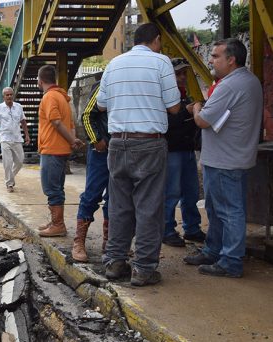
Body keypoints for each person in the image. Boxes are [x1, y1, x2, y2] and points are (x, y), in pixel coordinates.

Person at [96, 22, 181, 286]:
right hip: (149, 144)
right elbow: (175, 107)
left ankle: (115, 262)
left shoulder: (114, 64)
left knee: (120, 206)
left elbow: (101, 104)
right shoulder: (161, 62)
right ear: (156, 40)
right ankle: (143, 269)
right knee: (148, 207)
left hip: (118, 143)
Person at [184, 38, 263, 278]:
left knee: (228, 211)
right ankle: (214, 250)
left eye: (216, 56)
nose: (211, 60)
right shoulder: (250, 80)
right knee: (219, 209)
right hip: (234, 156)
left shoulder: (229, 85)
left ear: (231, 59)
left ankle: (230, 260)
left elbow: (203, 120)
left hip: (224, 159)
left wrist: (196, 106)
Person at [36, 65, 84, 237]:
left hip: (52, 149)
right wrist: (72, 141)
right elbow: (70, 124)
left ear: (40, 81)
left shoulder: (49, 97)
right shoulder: (62, 97)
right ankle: (55, 221)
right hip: (61, 149)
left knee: (51, 188)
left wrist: (72, 140)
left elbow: (56, 122)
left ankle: (58, 225)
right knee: (57, 186)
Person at [162, 58, 205, 248]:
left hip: (187, 150)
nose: (182, 77)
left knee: (191, 193)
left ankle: (192, 228)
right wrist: (186, 113)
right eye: (178, 74)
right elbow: (164, 124)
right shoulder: (163, 97)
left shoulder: (185, 96)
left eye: (183, 74)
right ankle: (167, 230)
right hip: (171, 151)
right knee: (171, 193)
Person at [72, 75, 110, 262]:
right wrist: (97, 140)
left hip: (120, 150)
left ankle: (109, 242)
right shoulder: (103, 85)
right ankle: (79, 241)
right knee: (92, 194)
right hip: (100, 151)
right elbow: (86, 115)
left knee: (116, 198)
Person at [0, 87, 31, 193]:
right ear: (3, 96)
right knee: (7, 162)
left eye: (10, 94)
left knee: (20, 161)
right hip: (5, 138)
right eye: (7, 95)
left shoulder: (19, 107)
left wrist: (27, 135)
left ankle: (10, 177)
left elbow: (23, 121)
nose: (9, 96)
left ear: (13, 95)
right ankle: (9, 183)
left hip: (17, 138)